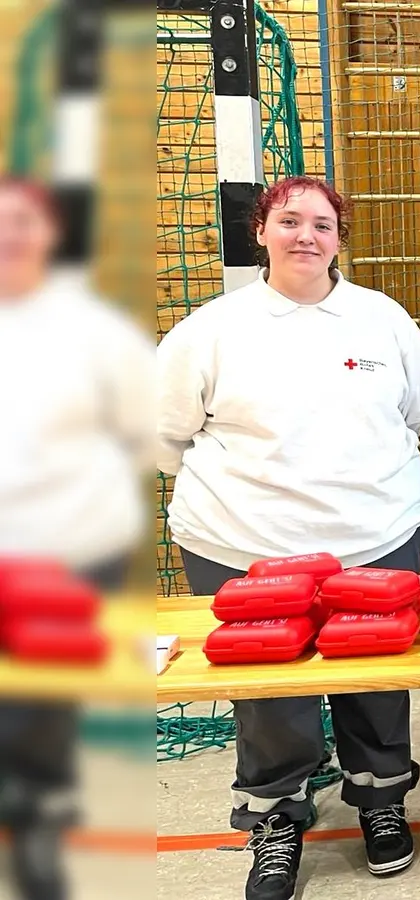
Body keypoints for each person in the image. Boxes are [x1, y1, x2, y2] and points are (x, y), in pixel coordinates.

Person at [156, 176, 420, 900]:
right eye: (289, 221)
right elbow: (165, 434)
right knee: (269, 690)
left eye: (321, 223)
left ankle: (380, 801)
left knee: (374, 683)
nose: (305, 235)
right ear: (261, 232)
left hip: (373, 533)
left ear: (340, 237)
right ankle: (277, 815)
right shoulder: (209, 330)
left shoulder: (381, 320)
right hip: (242, 544)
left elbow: (416, 410)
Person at [0, 176, 151, 900]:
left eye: (23, 220)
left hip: (67, 545)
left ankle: (40, 828)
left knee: (46, 707)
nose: (10, 234)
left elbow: (143, 433)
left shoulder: (94, 332)